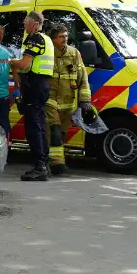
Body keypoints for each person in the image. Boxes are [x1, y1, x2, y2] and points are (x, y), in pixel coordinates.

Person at [10, 11, 54, 181]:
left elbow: (24, 64)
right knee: (40, 125)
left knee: (33, 127)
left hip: (35, 85)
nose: (24, 26)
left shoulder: (35, 38)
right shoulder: (47, 39)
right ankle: (44, 164)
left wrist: (11, 62)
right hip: (41, 85)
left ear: (34, 24)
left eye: (25, 24)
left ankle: (40, 167)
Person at [45, 22, 92, 175]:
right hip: (50, 101)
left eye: (65, 36)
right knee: (55, 131)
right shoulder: (46, 53)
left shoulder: (74, 53)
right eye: (60, 37)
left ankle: (52, 161)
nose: (64, 39)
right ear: (53, 40)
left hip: (68, 103)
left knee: (61, 135)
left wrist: (85, 100)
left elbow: (82, 77)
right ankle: (56, 165)